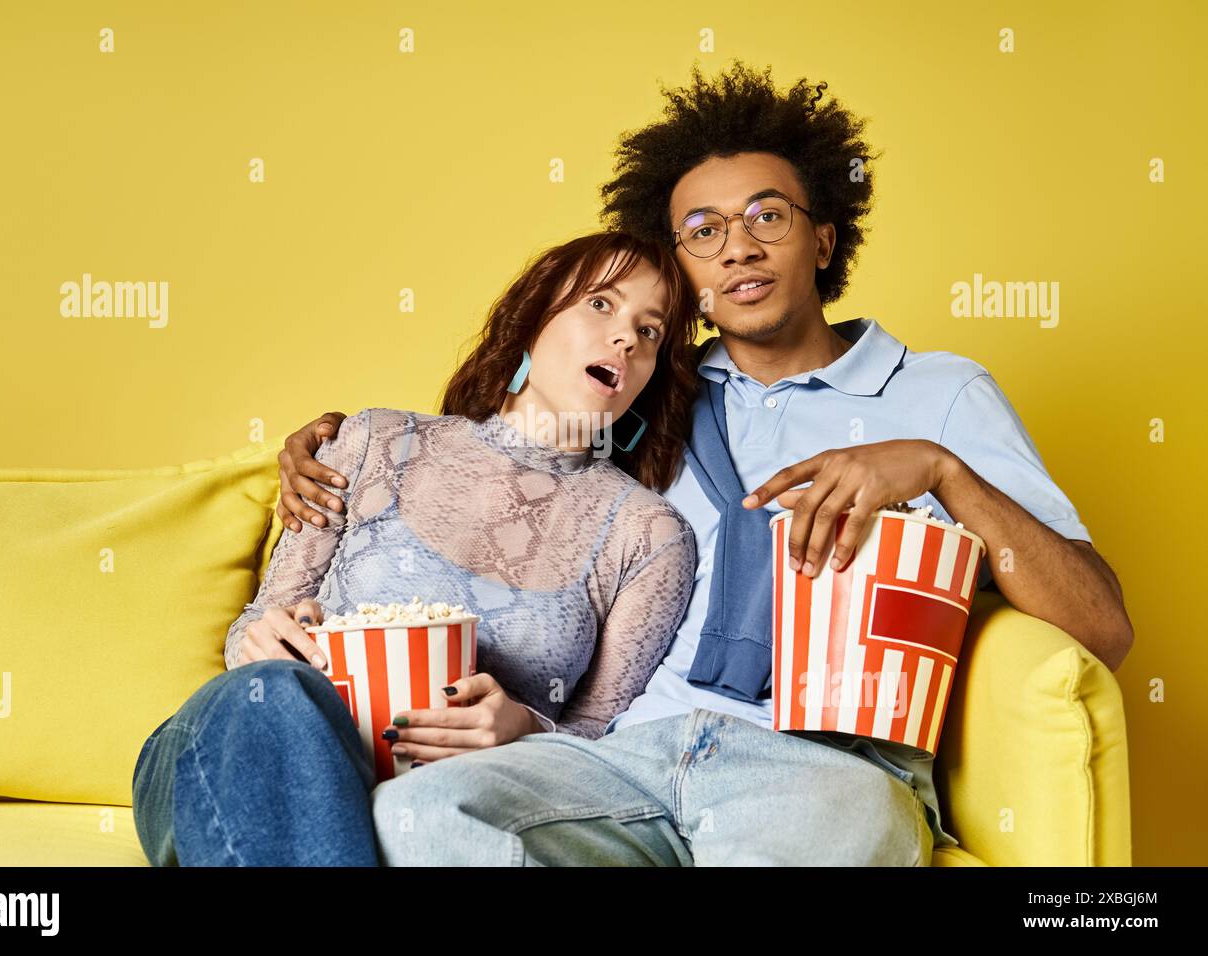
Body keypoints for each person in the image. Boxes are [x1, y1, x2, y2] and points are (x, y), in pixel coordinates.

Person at [276, 62, 1134, 866]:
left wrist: (942, 471)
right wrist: (330, 441)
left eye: (769, 216)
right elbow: (491, 455)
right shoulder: (652, 390)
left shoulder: (939, 396)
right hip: (627, 759)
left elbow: (1101, 630)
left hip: (824, 766)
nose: (738, 248)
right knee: (418, 814)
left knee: (842, 826)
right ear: (681, 270)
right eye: (703, 231)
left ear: (825, 239)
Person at [130, 230, 703, 865]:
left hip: (429, 811)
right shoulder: (373, 441)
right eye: (601, 304)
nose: (625, 337)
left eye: (649, 332)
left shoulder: (649, 535)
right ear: (536, 315)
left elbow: (604, 742)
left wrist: (525, 729)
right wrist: (259, 642)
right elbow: (258, 622)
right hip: (235, 752)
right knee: (273, 699)